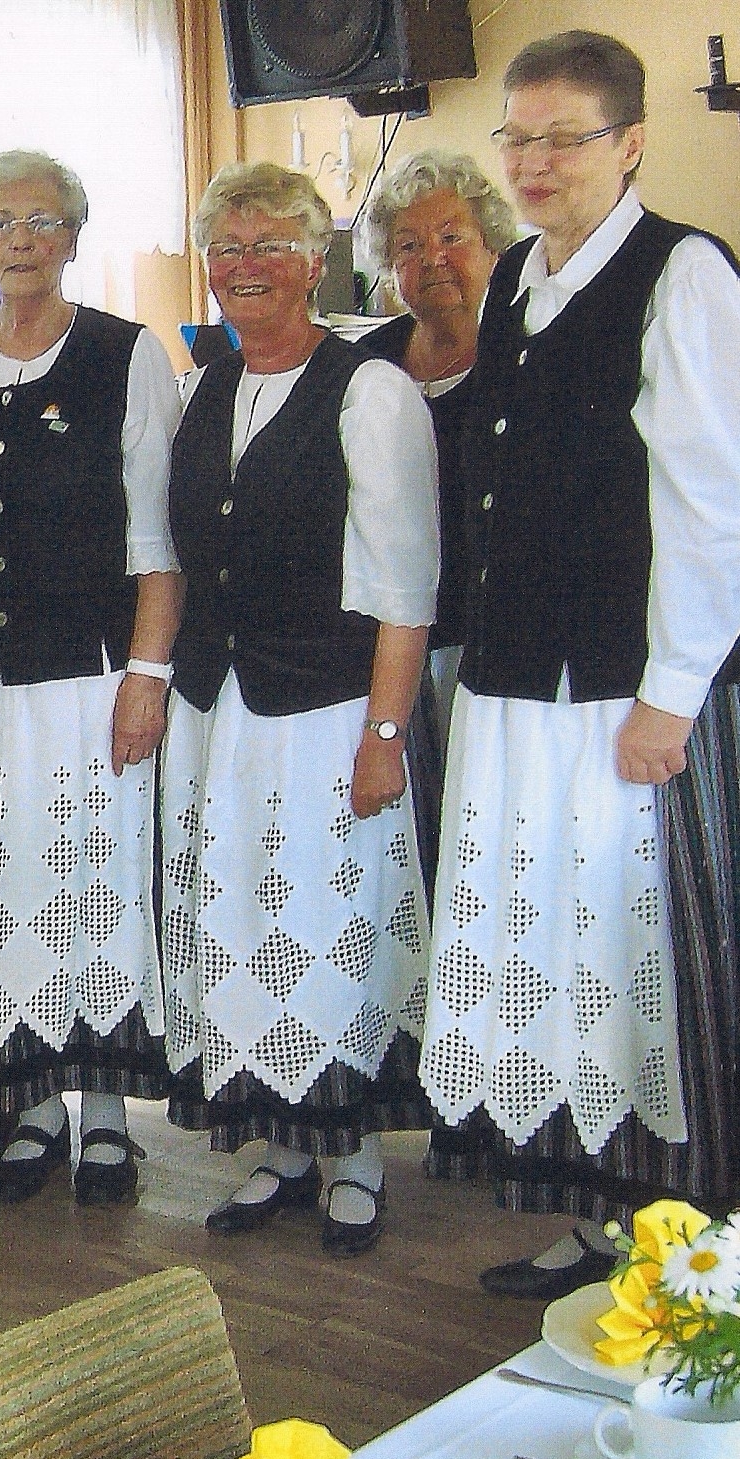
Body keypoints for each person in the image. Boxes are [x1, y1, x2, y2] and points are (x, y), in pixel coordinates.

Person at [414, 31, 740, 1299]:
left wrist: (673, 692)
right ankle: (593, 1217)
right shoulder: (514, 277)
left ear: (631, 142)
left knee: (644, 950)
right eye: (518, 137)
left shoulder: (683, 275)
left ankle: (686, 1249)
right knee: (549, 947)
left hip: (627, 692)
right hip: (518, 687)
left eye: (565, 138)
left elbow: (710, 505)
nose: (535, 162)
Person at [161, 163, 441, 1257]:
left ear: (315, 259)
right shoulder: (203, 388)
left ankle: (352, 1154)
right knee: (241, 918)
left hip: (329, 707)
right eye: (227, 249)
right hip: (220, 711)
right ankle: (279, 1144)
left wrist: (383, 737)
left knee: (330, 921)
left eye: (270, 246)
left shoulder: (369, 391)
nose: (245, 268)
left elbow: (404, 588)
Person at [0, 150, 184, 1207]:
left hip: (85, 673)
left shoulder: (124, 352)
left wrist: (146, 672)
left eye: (41, 221)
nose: (19, 240)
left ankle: (104, 1113)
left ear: (72, 236)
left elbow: (156, 536)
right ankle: (26, 1108)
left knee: (87, 879)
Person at [357, 150, 518, 763]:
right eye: (409, 246)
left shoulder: (523, 353)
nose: (432, 258)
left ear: (492, 246)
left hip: (495, 650)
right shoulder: (364, 366)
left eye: (452, 238)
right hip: (388, 651)